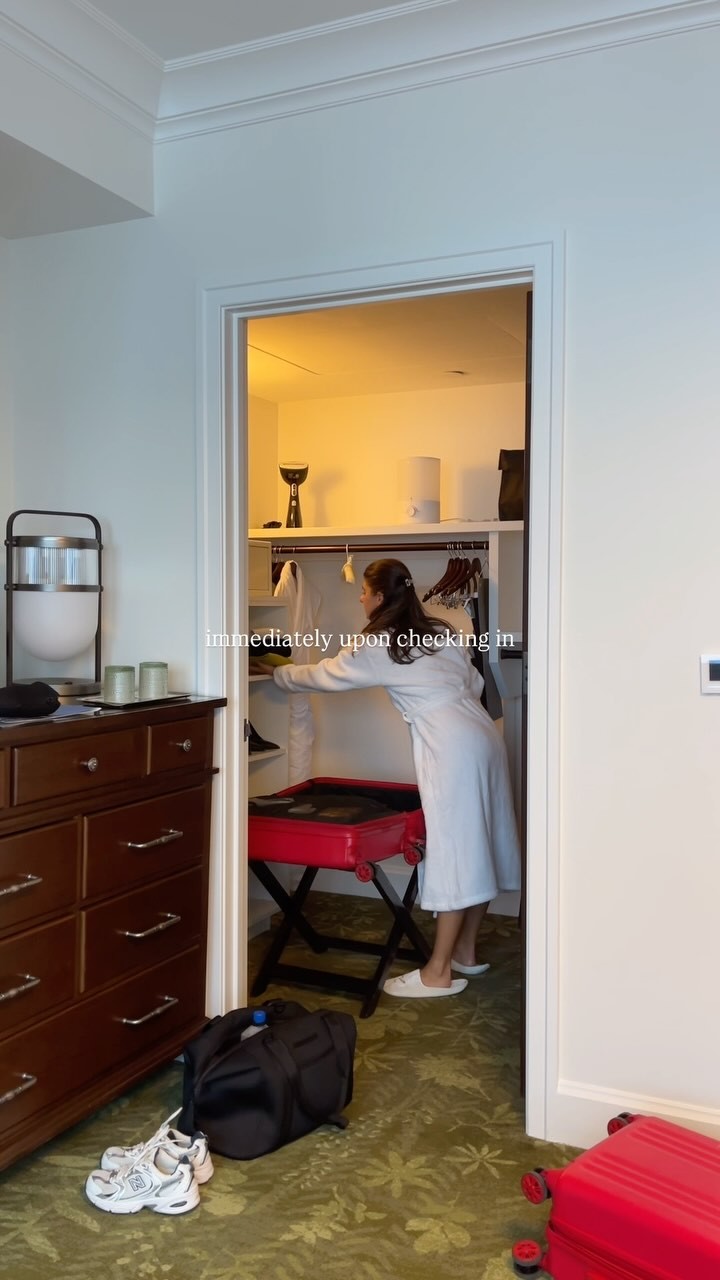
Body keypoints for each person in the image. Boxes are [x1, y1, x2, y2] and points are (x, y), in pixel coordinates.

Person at [271, 558, 521, 999]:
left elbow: (326, 674)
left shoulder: (380, 642)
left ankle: (437, 972)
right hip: (482, 733)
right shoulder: (440, 631)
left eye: (364, 592)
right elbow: (475, 683)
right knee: (481, 839)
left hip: (448, 744)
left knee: (454, 849)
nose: (361, 598)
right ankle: (465, 951)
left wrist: (277, 674)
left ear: (381, 596)